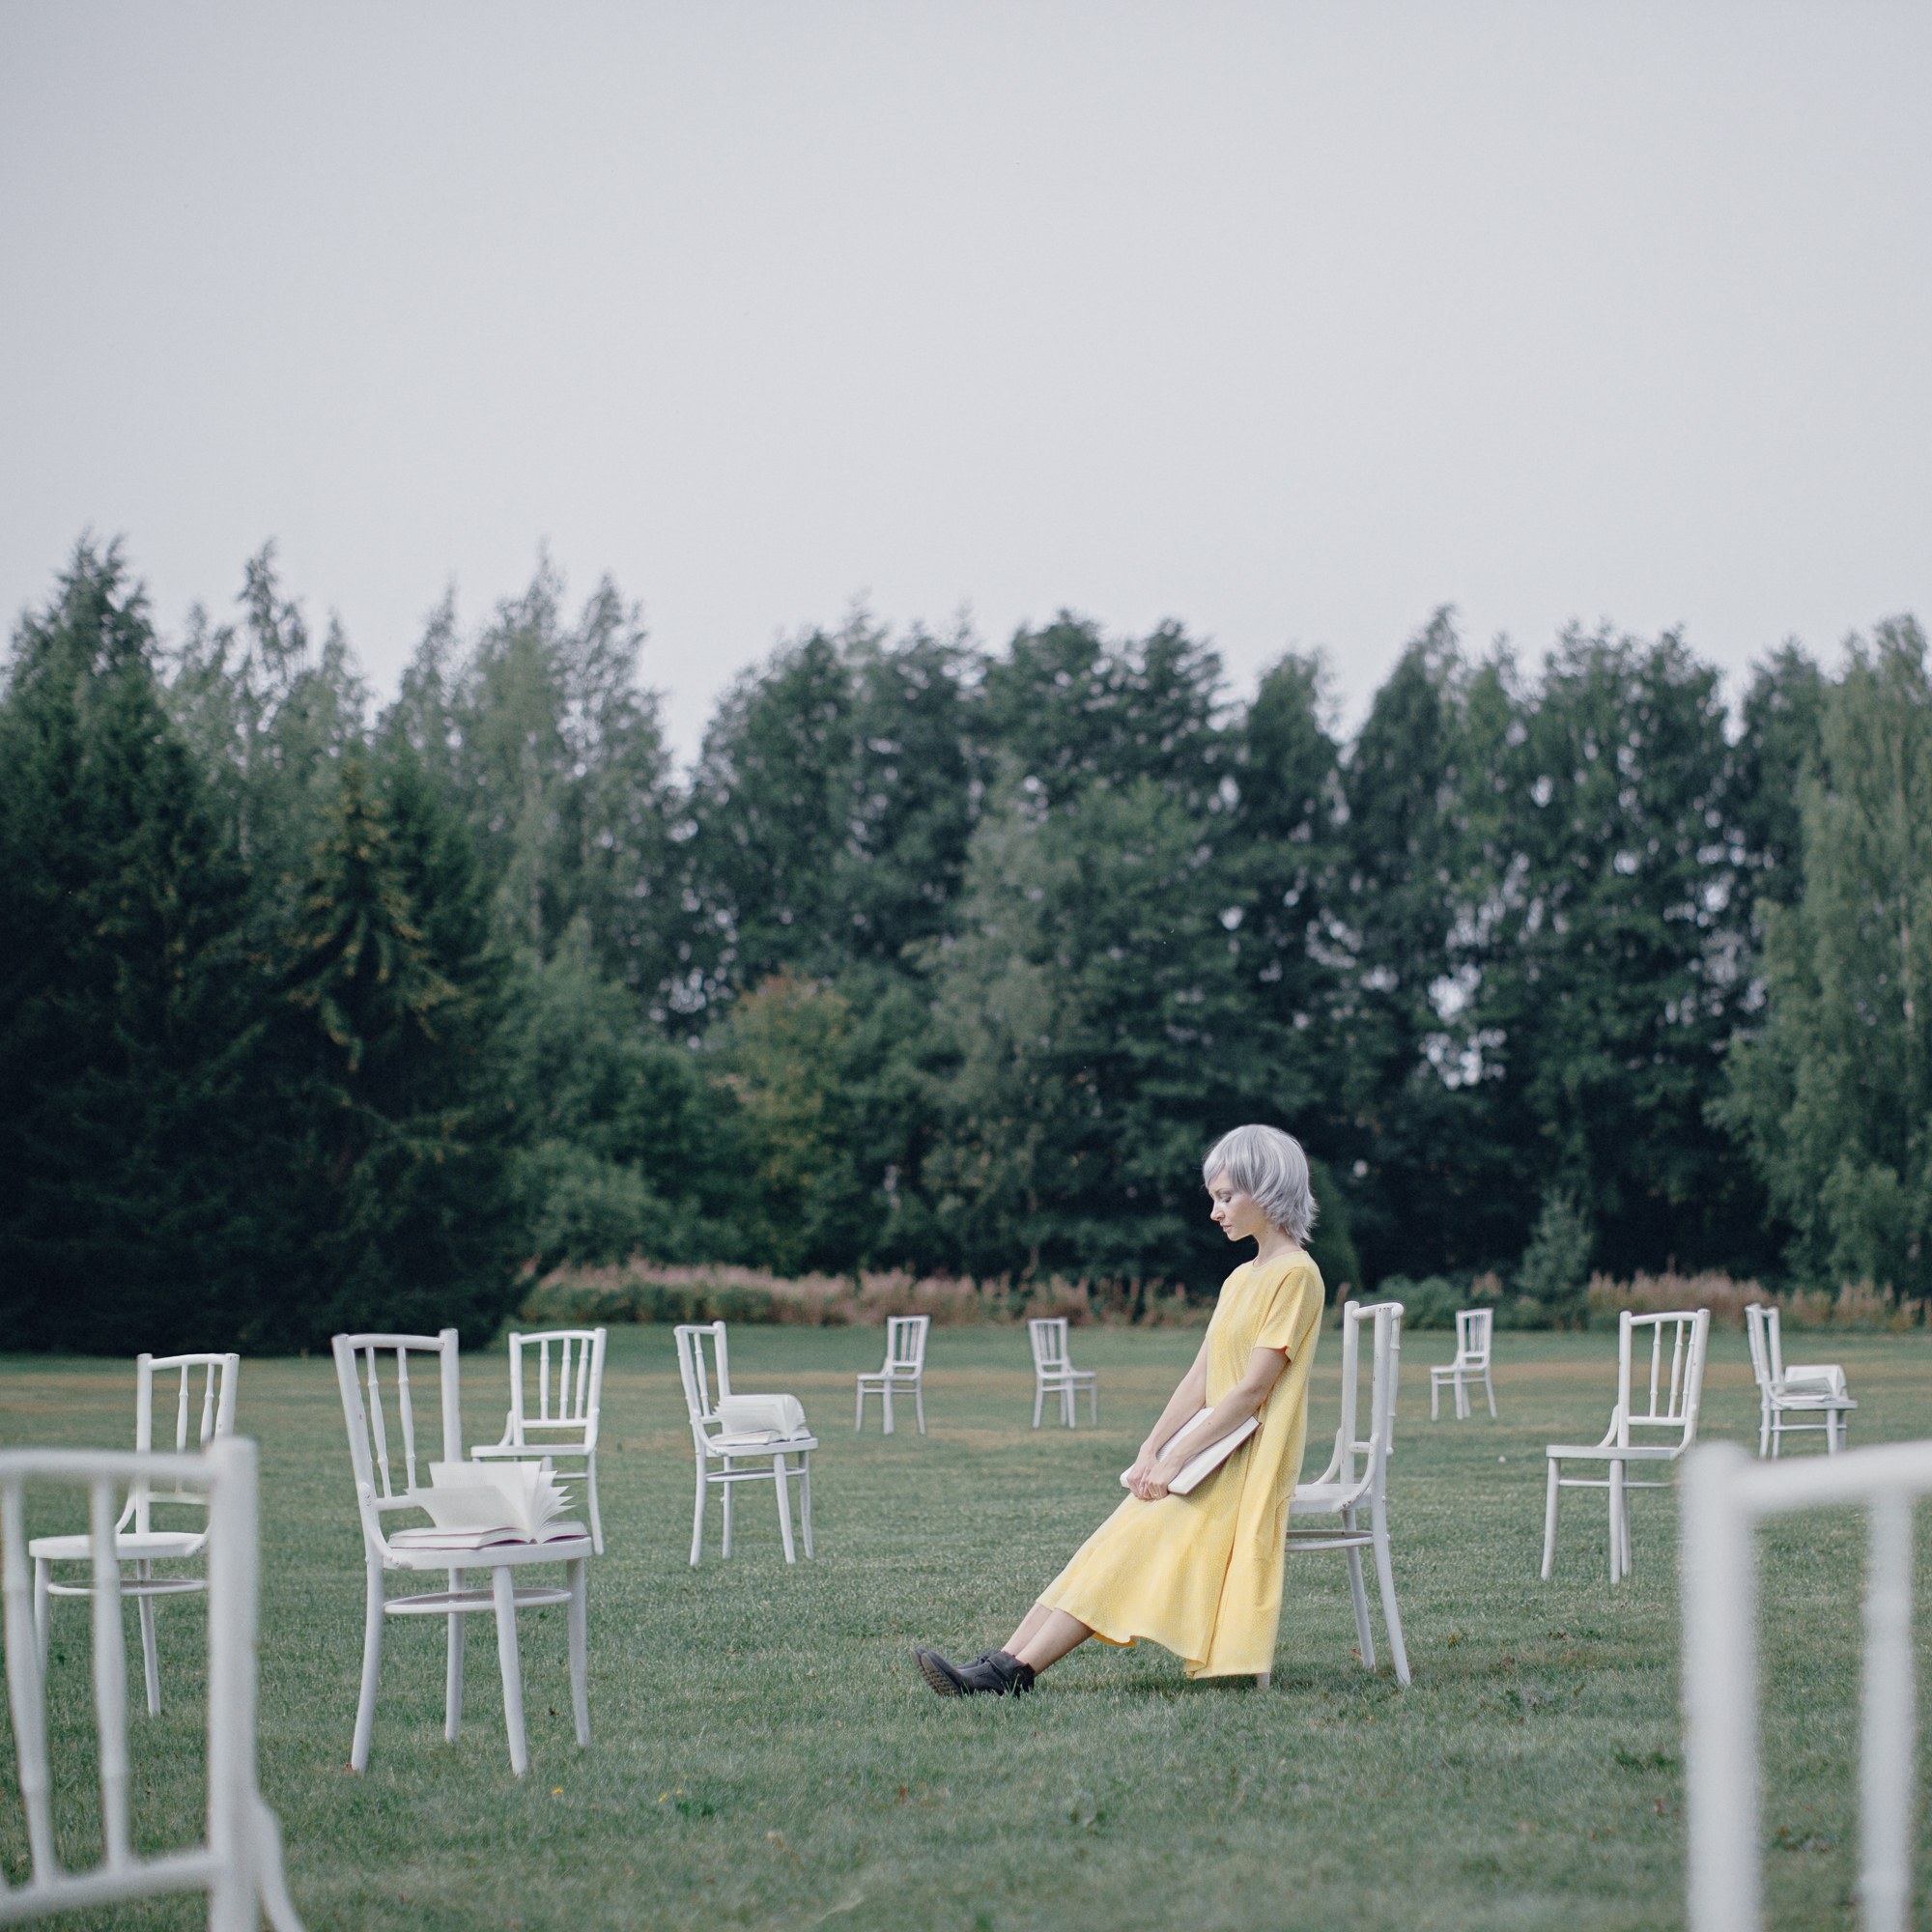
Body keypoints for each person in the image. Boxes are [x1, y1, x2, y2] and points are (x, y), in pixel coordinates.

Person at [913, 1124, 1326, 1696]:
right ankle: (1001, 1664)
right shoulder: (1240, 1279)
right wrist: (1151, 1448)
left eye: (1226, 1197)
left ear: (1268, 1189)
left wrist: (1176, 1457)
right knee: (1106, 1543)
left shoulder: (1297, 1275)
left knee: (1125, 1549)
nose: (1215, 1212)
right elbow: (1201, 1378)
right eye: (1213, 1198)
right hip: (1211, 1457)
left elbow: (1251, 1391)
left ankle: (1012, 1674)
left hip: (1245, 1467)